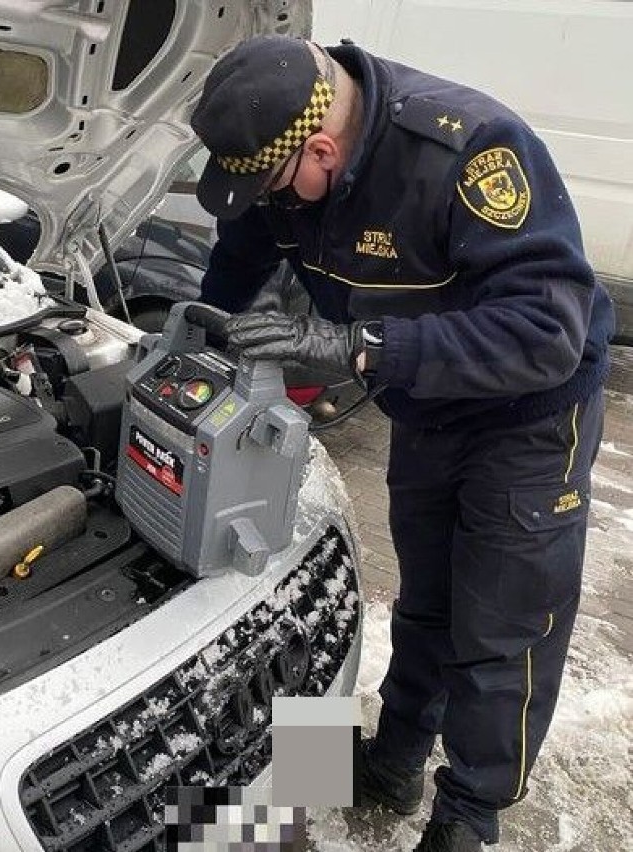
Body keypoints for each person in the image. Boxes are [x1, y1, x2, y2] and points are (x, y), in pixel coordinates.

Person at [189, 34, 615, 851]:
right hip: (428, 405)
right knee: (425, 602)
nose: (269, 206)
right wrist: (201, 340)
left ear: (322, 147)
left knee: (499, 628)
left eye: (275, 188)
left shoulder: (469, 151)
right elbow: (242, 250)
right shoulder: (289, 176)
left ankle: (469, 814)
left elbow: (546, 333)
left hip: (528, 418)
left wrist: (362, 348)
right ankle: (393, 761)